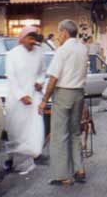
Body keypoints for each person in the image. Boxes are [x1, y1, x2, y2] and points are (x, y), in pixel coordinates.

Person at [38, 20, 88, 186]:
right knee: (75, 132)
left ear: (65, 32)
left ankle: (62, 175)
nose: (58, 36)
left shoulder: (62, 51)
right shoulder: (83, 48)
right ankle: (79, 169)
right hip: (78, 94)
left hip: (63, 93)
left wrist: (45, 99)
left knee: (59, 135)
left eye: (59, 33)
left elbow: (53, 77)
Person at [3, 27, 45, 175]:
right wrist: (21, 96)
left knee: (35, 126)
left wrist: (40, 82)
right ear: (22, 38)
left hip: (34, 96)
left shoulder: (39, 52)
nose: (32, 40)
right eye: (30, 37)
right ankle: (11, 158)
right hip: (16, 99)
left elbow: (42, 73)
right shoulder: (12, 55)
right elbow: (11, 78)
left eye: (34, 37)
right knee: (15, 130)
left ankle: (35, 154)